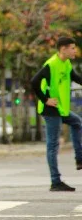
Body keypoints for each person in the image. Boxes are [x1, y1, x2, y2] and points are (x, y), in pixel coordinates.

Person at [31, 36, 82, 192]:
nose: (75, 50)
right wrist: (45, 99)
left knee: (77, 122)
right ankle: (55, 181)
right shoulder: (51, 65)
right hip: (50, 109)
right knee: (53, 145)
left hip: (60, 108)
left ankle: (79, 158)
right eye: (72, 48)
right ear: (63, 49)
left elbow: (76, 78)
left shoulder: (66, 64)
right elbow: (34, 82)